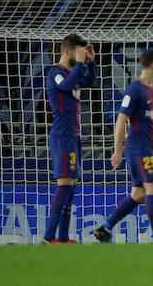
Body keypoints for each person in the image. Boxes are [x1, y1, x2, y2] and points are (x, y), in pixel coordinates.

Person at [94, 50, 153, 243]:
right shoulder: (134, 90)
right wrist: (118, 150)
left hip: (147, 148)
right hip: (139, 148)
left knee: (139, 194)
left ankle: (105, 228)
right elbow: (121, 119)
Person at [43, 35, 96, 244]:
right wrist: (81, 64)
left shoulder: (71, 73)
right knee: (64, 185)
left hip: (74, 136)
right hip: (62, 135)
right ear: (67, 51)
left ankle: (63, 239)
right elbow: (65, 85)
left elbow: (89, 81)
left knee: (71, 187)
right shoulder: (55, 72)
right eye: (78, 51)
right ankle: (48, 238)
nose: (80, 55)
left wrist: (91, 63)